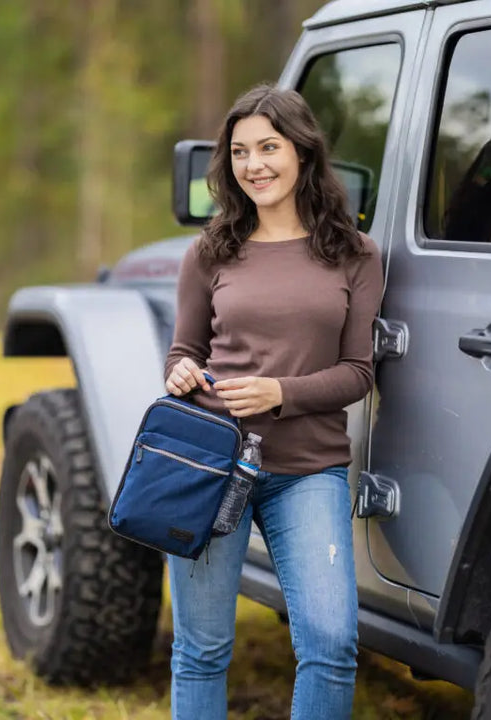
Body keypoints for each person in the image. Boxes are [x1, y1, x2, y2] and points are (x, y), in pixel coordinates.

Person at [163, 83, 384, 720]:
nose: (253, 164)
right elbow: (184, 350)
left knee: (331, 641)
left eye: (268, 147)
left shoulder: (353, 253)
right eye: (239, 152)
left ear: (303, 152)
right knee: (201, 649)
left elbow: (358, 373)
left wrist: (279, 393)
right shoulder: (210, 250)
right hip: (211, 465)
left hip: (307, 471)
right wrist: (180, 373)